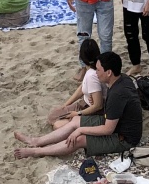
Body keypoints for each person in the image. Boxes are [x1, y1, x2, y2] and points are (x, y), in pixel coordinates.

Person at [12, 52, 142, 158]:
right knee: (75, 120)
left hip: (124, 138)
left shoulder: (117, 94)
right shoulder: (121, 78)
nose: (95, 73)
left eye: (98, 70)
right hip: (115, 123)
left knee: (79, 139)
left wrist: (81, 130)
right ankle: (36, 141)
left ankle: (37, 152)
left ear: (109, 72)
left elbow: (108, 129)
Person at [46, 39, 105, 124]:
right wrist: (65, 105)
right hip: (84, 104)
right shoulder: (91, 71)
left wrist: (77, 114)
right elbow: (82, 88)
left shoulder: (91, 75)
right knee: (54, 115)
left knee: (57, 124)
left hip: (89, 110)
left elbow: (98, 105)